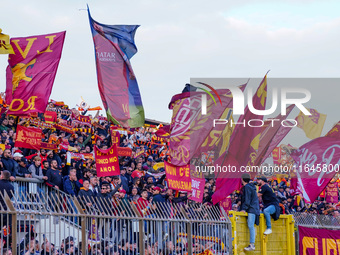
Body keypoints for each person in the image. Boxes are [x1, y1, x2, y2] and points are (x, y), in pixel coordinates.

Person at [240, 173, 260, 251]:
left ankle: (252, 244)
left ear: (242, 179)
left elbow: (247, 199)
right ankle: (252, 243)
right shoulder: (252, 187)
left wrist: (244, 209)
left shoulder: (247, 187)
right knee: (251, 225)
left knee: (250, 225)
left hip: (251, 209)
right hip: (254, 208)